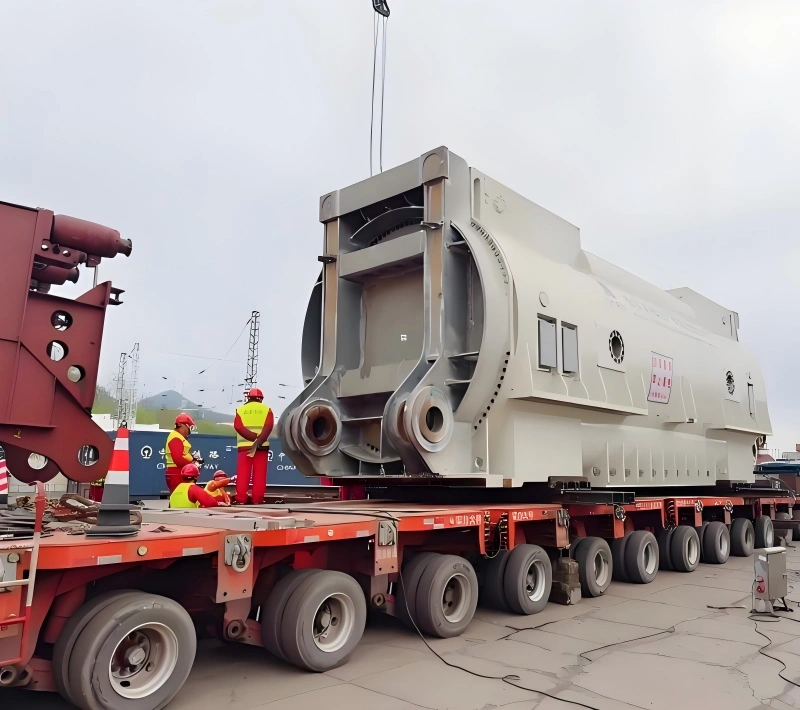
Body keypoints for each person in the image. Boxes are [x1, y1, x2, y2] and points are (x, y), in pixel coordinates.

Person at [233, 388, 273, 504]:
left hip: (244, 448)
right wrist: (259, 440)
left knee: (243, 474)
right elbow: (268, 426)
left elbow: (238, 426)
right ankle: (257, 500)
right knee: (260, 475)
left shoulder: (240, 410)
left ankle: (241, 499)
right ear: (261, 399)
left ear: (248, 397)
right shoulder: (267, 410)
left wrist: (252, 437)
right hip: (261, 448)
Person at [164, 413, 202, 493]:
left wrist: (192, 459)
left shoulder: (177, 437)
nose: (189, 431)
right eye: (190, 427)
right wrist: (194, 464)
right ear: (183, 425)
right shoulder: (176, 438)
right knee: (180, 496)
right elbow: (179, 459)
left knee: (178, 497)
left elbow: (182, 455)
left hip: (177, 472)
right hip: (177, 473)